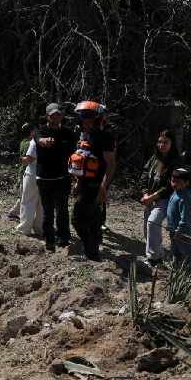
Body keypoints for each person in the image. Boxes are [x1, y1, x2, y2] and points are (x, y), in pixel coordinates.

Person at [69, 101, 116, 261]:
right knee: (93, 219)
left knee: (77, 219)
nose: (84, 121)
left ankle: (91, 251)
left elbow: (111, 164)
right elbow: (81, 160)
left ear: (97, 118)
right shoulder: (83, 134)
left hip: (96, 185)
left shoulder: (105, 136)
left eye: (88, 118)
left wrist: (103, 186)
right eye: (82, 118)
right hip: (84, 183)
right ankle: (94, 251)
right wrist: (77, 182)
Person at [34, 102, 76, 251]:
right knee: (48, 211)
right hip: (44, 178)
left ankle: (63, 239)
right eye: (53, 115)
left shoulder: (68, 133)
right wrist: (43, 141)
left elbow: (73, 152)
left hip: (62, 178)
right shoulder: (40, 131)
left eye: (58, 114)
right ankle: (49, 240)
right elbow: (39, 140)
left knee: (63, 210)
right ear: (47, 116)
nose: (56, 117)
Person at [138, 130, 180, 267]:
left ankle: (154, 259)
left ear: (172, 144)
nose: (161, 145)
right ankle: (156, 255)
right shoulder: (154, 158)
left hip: (165, 199)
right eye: (160, 142)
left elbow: (170, 186)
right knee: (147, 225)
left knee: (153, 222)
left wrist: (153, 196)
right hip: (149, 197)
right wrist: (145, 193)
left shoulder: (175, 161)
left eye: (165, 142)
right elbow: (144, 175)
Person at [16, 123, 43, 236]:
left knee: (28, 201)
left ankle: (24, 228)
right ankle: (40, 228)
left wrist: (21, 159)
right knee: (42, 204)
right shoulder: (53, 142)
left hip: (32, 173)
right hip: (46, 175)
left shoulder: (34, 142)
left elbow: (29, 159)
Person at [167, 167, 191, 272]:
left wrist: (180, 230)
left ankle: (190, 273)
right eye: (172, 181)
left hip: (182, 232)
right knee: (175, 251)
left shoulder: (185, 197)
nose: (174, 184)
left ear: (186, 183)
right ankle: (176, 271)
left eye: (178, 182)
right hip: (173, 230)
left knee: (186, 252)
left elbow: (186, 217)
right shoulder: (176, 192)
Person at [5, 124, 34, 220]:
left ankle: (15, 212)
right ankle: (16, 213)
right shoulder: (29, 144)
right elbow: (28, 159)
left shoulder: (24, 142)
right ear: (31, 132)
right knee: (23, 194)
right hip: (26, 171)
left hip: (23, 170)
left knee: (23, 194)